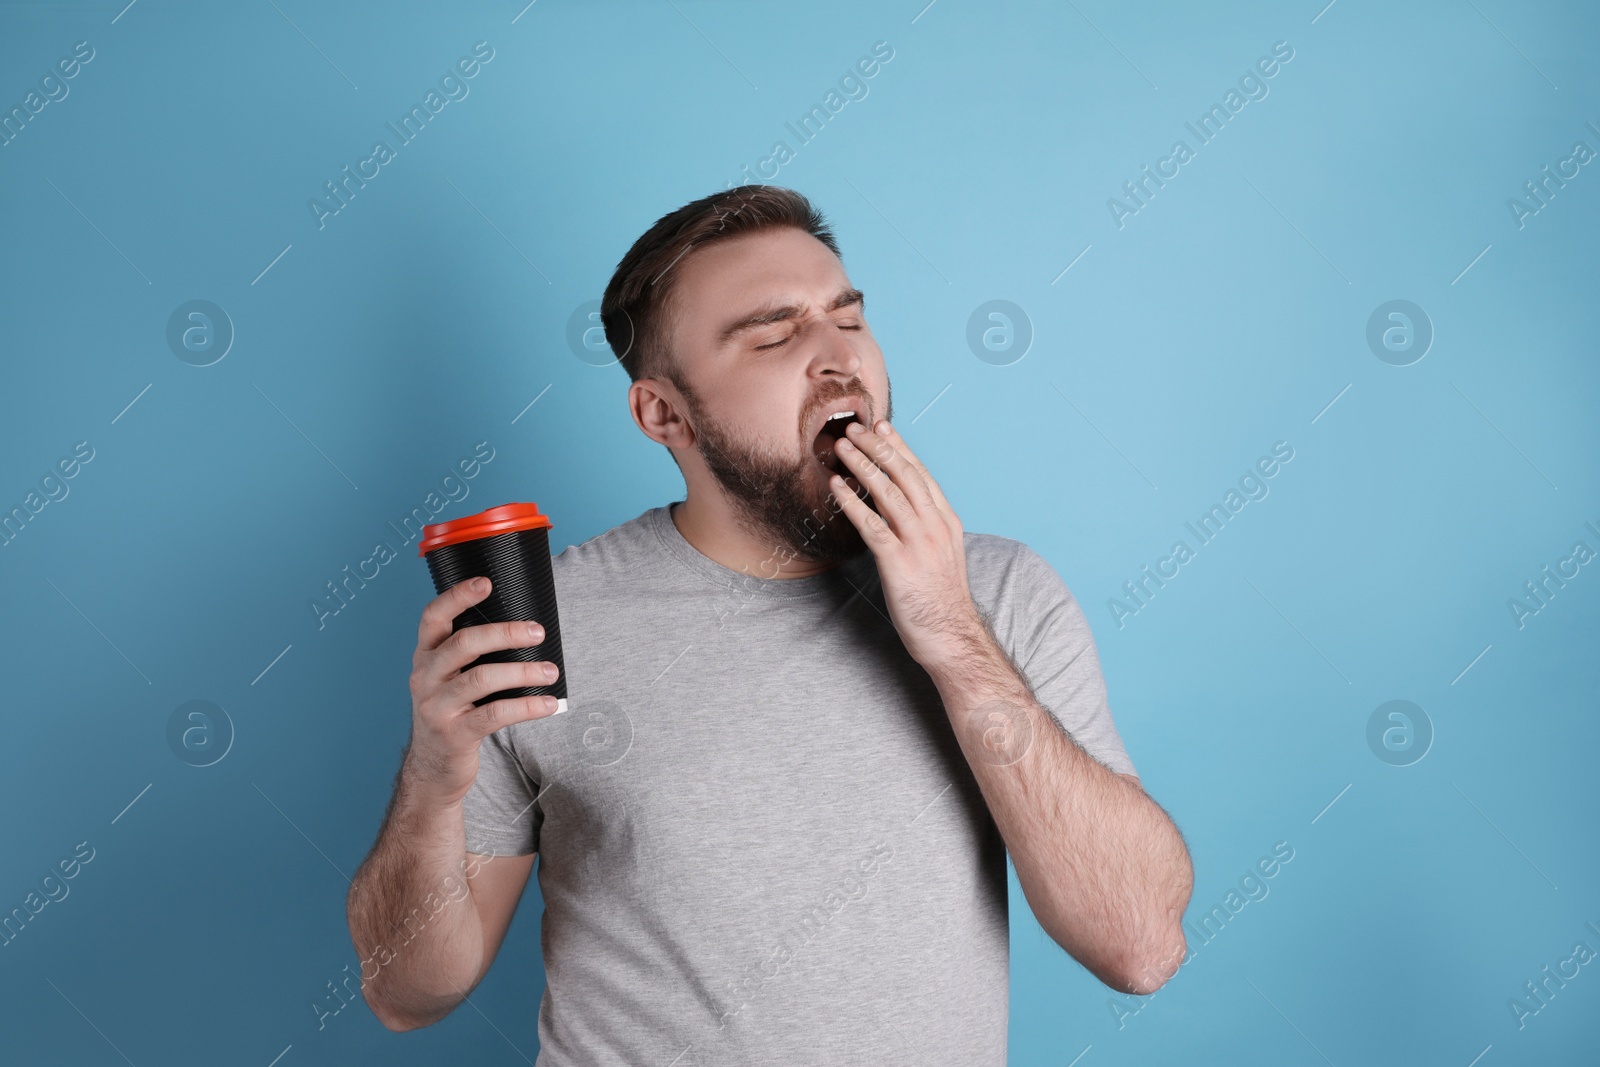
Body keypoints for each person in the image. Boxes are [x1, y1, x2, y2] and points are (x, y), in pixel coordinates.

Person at [346, 184, 1194, 1064]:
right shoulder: (540, 629)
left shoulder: (1002, 594)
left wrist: (954, 638)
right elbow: (406, 994)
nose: (838, 358)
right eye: (775, 334)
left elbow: (1140, 946)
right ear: (662, 413)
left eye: (847, 318)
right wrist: (434, 780)